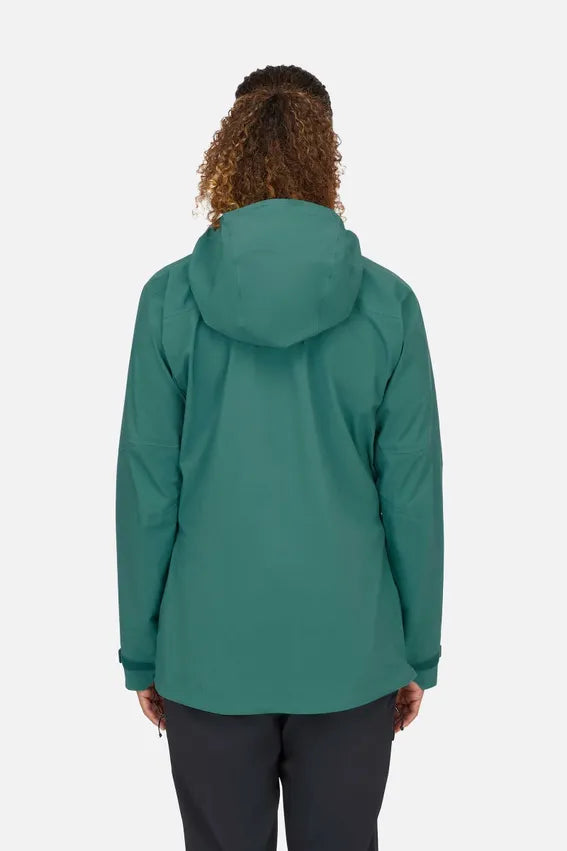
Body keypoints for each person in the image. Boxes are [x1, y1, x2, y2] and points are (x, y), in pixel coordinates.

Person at [116, 64, 444, 851]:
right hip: (351, 651)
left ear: (227, 152)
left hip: (207, 653)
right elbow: (410, 489)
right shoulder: (387, 304)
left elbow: (147, 488)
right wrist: (415, 651)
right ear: (324, 153)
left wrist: (143, 652)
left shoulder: (169, 301)